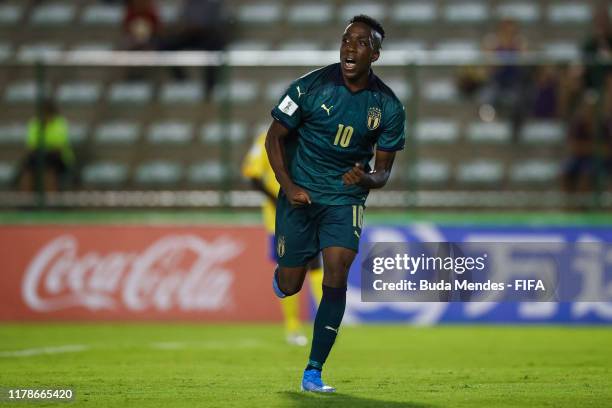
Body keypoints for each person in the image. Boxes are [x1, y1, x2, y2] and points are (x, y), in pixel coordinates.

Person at [265, 15, 405, 392]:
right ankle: (286, 272)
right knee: (291, 284)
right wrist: (288, 185)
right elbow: (273, 139)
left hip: (344, 198)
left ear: (374, 54)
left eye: (360, 43)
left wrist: (367, 178)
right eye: (346, 40)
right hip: (301, 194)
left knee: (337, 274)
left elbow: (383, 174)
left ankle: (314, 370)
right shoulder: (309, 88)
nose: (349, 47)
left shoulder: (388, 106)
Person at [241, 131, 324, 346]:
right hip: (280, 218)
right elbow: (252, 175)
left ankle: (323, 323)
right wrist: (279, 200)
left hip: (308, 210)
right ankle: (292, 326)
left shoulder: (311, 136)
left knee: (315, 263)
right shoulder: (266, 138)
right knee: (290, 267)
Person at [19, 99, 74, 192]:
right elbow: (31, 145)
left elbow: (59, 146)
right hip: (38, 155)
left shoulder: (60, 124)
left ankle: (51, 201)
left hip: (58, 157)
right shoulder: (35, 123)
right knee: (27, 170)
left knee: (49, 169)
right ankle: (25, 201)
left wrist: (44, 147)